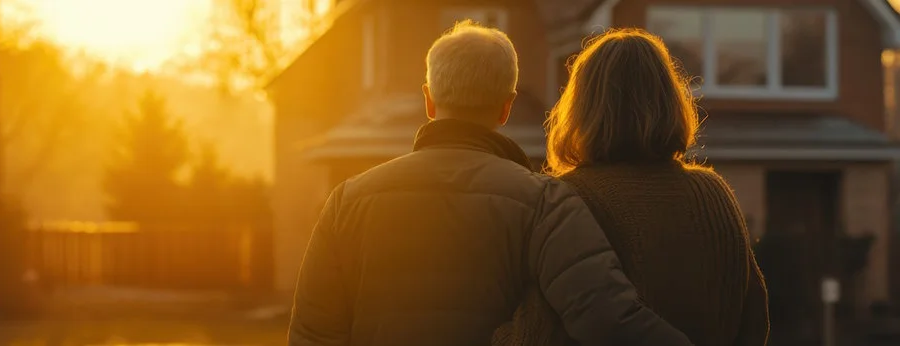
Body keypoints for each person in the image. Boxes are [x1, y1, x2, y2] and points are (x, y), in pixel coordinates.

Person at [288, 21, 693, 346]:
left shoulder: (348, 200)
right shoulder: (544, 202)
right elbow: (605, 317)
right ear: (506, 106)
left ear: (429, 101)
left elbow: (313, 332)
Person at [494, 29, 770, 345]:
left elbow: (537, 332)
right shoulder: (715, 195)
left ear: (582, 107)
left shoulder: (563, 199)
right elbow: (754, 320)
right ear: (671, 99)